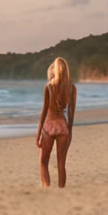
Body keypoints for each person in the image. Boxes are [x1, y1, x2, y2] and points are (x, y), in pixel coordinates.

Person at [35, 57, 75, 188]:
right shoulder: (71, 88)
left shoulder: (49, 87)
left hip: (49, 127)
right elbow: (71, 114)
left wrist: (38, 133)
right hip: (63, 127)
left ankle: (46, 187)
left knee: (43, 161)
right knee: (61, 164)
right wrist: (70, 133)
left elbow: (44, 111)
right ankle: (61, 190)